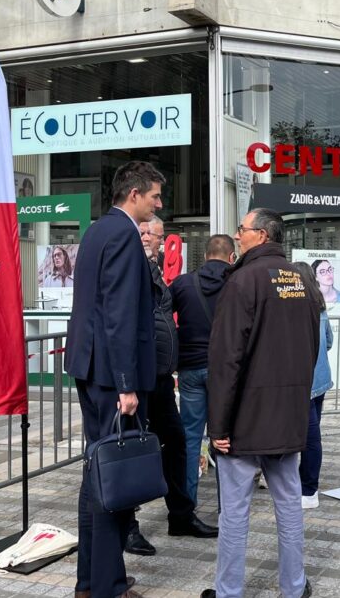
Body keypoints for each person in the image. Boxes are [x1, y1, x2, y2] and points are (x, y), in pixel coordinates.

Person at [203, 208, 319, 598]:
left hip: (245, 421)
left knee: (234, 511)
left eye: (243, 229)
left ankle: (229, 592)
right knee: (289, 505)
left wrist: (217, 426)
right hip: (287, 417)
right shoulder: (302, 279)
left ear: (263, 236)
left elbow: (225, 359)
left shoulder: (243, 280)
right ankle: (294, 587)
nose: (238, 235)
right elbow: (312, 348)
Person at [65, 161, 164, 598]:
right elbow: (119, 314)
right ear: (134, 195)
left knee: (97, 475)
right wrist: (127, 384)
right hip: (111, 376)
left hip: (91, 368)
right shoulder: (124, 234)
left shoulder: (96, 230)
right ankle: (107, 586)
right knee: (112, 479)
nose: (159, 203)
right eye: (155, 196)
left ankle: (91, 582)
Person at [125, 216, 217, 558]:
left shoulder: (152, 268)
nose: (155, 241)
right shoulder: (129, 267)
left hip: (160, 376)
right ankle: (127, 526)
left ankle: (180, 515)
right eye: (148, 233)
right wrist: (126, 382)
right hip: (138, 377)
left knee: (176, 441)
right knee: (132, 451)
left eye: (159, 237)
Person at [171, 234, 235, 513]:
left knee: (189, 437)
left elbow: (161, 317)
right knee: (225, 437)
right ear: (231, 257)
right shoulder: (238, 283)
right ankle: (228, 507)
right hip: (225, 372)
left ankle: (186, 507)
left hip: (190, 369)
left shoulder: (183, 283)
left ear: (206, 255)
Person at [293, 261, 334, 510]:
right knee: (311, 433)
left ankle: (309, 490)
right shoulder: (319, 305)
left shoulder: (295, 307)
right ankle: (304, 485)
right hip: (320, 380)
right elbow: (328, 340)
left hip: (304, 383)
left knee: (309, 438)